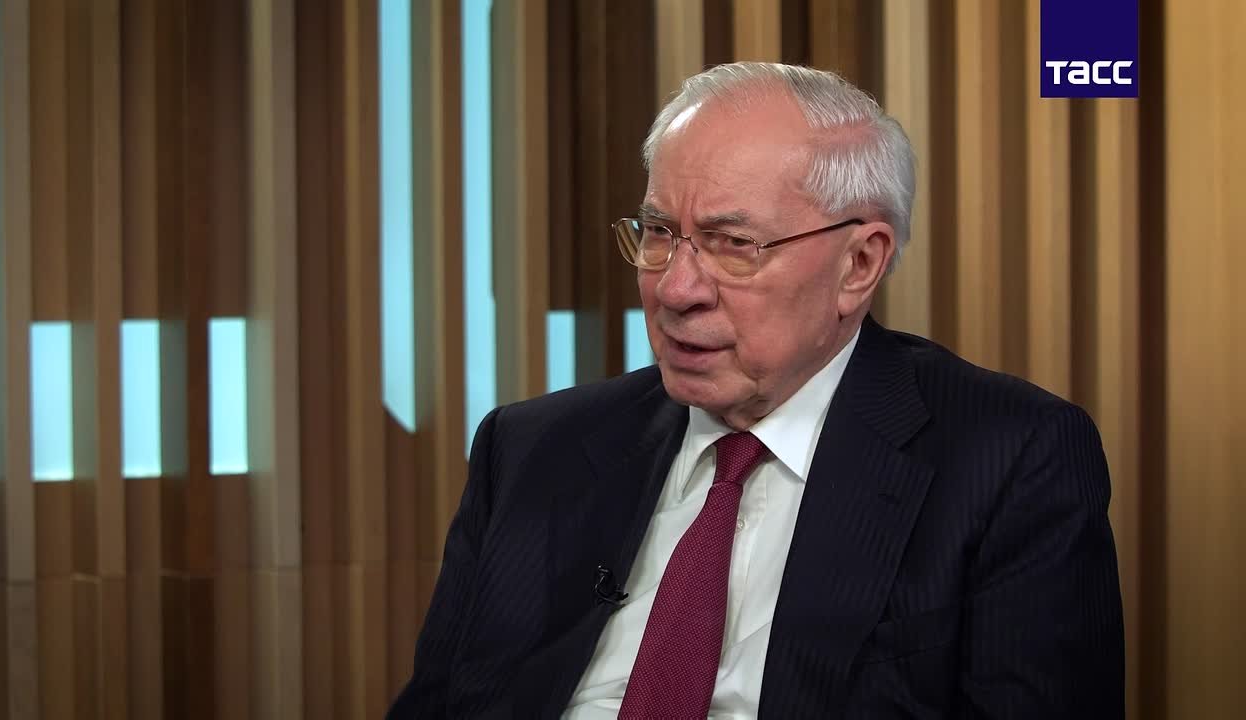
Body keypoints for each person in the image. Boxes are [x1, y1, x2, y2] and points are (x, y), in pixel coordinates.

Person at [388, 62, 1124, 719]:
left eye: (733, 244)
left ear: (860, 265)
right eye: (658, 232)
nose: (675, 289)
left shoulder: (1008, 459)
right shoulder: (530, 448)